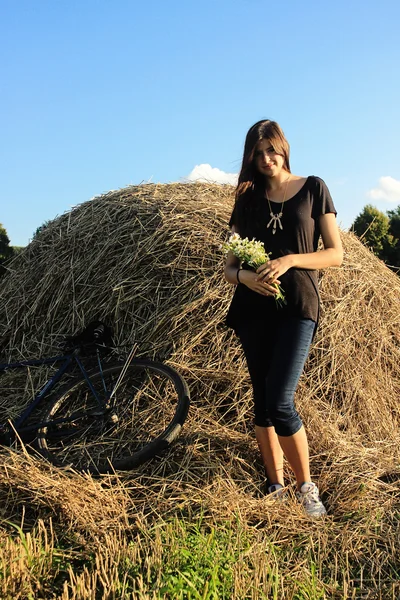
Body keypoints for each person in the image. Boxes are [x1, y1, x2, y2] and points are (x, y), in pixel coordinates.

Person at [224, 119, 343, 517]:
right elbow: (229, 266)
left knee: (280, 399)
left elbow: (335, 253)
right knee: (262, 400)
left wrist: (291, 259)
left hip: (298, 307)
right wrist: (245, 277)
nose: (265, 159)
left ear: (283, 148)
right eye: (257, 154)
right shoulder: (246, 200)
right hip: (252, 309)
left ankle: (306, 487)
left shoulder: (313, 188)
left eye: (271, 150)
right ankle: (275, 485)